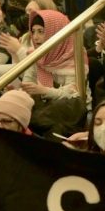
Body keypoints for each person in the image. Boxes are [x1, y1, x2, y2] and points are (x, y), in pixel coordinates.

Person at [19, 9, 86, 137]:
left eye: (41, 31)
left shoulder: (74, 55)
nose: (35, 37)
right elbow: (27, 83)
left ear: (55, 32)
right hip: (46, 111)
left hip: (69, 114)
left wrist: (43, 91)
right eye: (33, 32)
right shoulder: (36, 55)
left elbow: (73, 93)